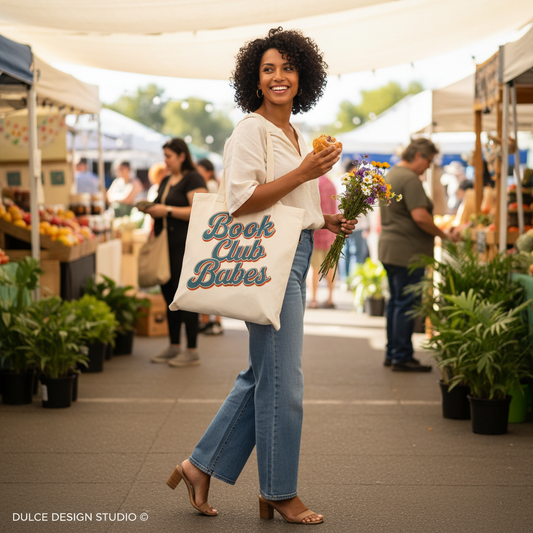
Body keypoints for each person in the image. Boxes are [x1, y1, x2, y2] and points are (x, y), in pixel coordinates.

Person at [163, 27, 356, 524]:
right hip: (268, 262)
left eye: (288, 68)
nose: (278, 76)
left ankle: (199, 466)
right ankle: (278, 490)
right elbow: (241, 200)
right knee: (283, 383)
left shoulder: (292, 133)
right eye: (268, 68)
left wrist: (327, 218)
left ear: (302, 78)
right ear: (254, 79)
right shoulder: (251, 130)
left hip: (292, 257)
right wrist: (306, 172)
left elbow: (291, 204)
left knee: (262, 376)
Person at [379, 138, 459, 372]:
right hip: (408, 251)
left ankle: (393, 353)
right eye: (429, 161)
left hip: (392, 248)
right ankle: (402, 356)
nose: (428, 167)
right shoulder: (410, 179)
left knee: (396, 302)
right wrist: (443, 235)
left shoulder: (392, 174)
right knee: (405, 303)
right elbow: (421, 217)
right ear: (418, 156)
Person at [138, 140, 207, 366]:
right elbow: (160, 206)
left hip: (186, 246)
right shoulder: (167, 180)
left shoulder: (193, 179)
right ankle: (174, 345)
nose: (165, 161)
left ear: (181, 156)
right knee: (169, 295)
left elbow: (200, 210)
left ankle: (193, 350)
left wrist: (166, 210)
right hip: (166, 245)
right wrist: (149, 207)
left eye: (168, 156)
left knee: (186, 297)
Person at [195, 158, 224, 335]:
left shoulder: (211, 186)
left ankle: (214, 321)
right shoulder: (211, 184)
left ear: (207, 171)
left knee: (211, 281)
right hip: (213, 237)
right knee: (210, 281)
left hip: (213, 238)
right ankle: (207, 319)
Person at [308, 175, 337, 308]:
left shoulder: (313, 184)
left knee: (314, 268)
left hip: (317, 232)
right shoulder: (331, 185)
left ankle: (314, 299)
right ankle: (330, 298)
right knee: (330, 267)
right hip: (331, 233)